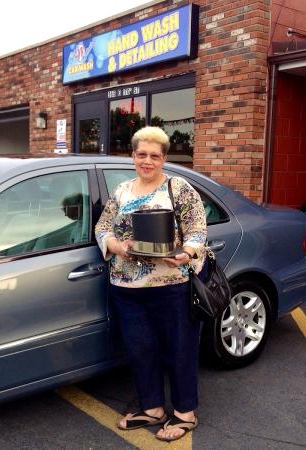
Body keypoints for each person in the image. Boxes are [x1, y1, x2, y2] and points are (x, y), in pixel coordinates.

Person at [95, 126, 207, 442]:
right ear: (132, 156)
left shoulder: (179, 188)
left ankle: (185, 412)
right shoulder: (121, 191)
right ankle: (152, 408)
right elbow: (102, 228)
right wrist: (114, 245)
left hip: (170, 286)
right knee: (140, 349)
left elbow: (198, 230)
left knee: (179, 349)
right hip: (126, 289)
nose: (147, 161)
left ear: (164, 158)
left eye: (154, 156)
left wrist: (185, 253)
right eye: (141, 154)